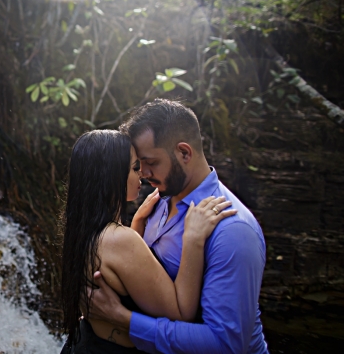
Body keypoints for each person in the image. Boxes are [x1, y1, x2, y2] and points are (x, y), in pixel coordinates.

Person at [87, 99, 269, 353]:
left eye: (151, 162)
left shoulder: (233, 230)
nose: (143, 173)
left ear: (184, 153)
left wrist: (123, 319)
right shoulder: (159, 201)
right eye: (139, 164)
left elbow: (225, 345)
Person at [60, 129, 237, 353]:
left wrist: (136, 225)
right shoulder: (120, 240)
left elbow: (122, 275)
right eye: (135, 168)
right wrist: (193, 239)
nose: (142, 174)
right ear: (112, 176)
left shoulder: (83, 230)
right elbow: (181, 313)